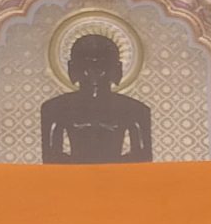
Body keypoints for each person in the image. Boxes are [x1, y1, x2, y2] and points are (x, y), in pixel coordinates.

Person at [40, 33, 152, 165]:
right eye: (86, 64)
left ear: (116, 69)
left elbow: (142, 160)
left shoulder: (135, 110)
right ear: (73, 68)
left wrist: (111, 170)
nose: (94, 71)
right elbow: (51, 159)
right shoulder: (55, 109)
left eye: (102, 65)